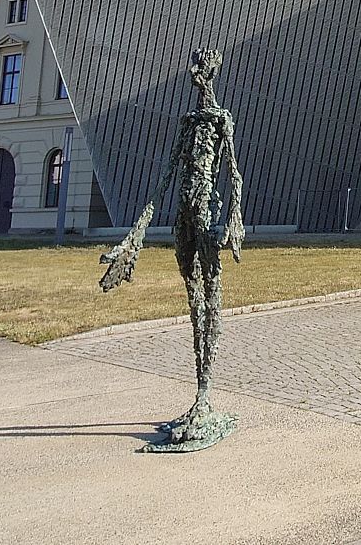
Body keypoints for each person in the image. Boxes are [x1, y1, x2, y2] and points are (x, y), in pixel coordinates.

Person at [97, 47, 246, 452]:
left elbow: (233, 173)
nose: (195, 73)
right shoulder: (188, 122)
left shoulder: (219, 121)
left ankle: (205, 394)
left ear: (212, 72)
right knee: (193, 299)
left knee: (210, 301)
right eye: (193, 67)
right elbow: (165, 178)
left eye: (201, 67)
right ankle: (200, 394)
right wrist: (136, 236)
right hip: (184, 215)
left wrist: (233, 219)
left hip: (206, 219)